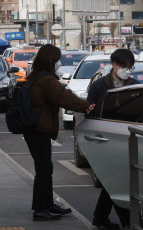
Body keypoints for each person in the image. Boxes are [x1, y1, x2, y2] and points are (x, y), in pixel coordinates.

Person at [24, 44, 94, 221]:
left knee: (45, 168)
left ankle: (47, 204)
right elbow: (64, 96)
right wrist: (86, 106)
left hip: (34, 129)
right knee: (44, 170)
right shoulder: (47, 80)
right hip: (38, 129)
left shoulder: (36, 76)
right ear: (51, 61)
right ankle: (41, 209)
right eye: (57, 59)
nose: (59, 62)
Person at [87, 49, 138, 230]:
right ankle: (126, 221)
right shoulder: (98, 86)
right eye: (124, 66)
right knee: (116, 179)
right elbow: (90, 113)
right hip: (105, 139)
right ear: (114, 64)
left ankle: (101, 217)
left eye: (130, 67)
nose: (127, 70)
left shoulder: (136, 86)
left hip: (128, 139)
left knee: (115, 180)